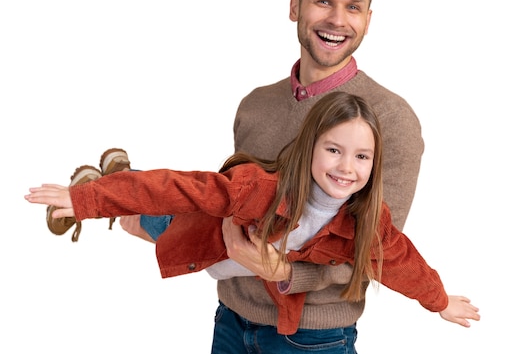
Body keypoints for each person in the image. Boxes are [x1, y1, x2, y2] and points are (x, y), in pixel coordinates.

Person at [37, 0, 462, 353]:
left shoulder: (390, 119)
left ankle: (116, 191)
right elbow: (210, 200)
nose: (337, 19)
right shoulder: (256, 105)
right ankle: (114, 193)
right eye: (323, 1)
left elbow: (377, 253)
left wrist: (285, 274)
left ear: (368, 18)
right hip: (231, 321)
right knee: (181, 215)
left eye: (353, 6)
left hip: (311, 338)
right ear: (295, 7)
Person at [25, 92, 480, 339]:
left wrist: (439, 301)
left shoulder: (368, 221)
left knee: (159, 224)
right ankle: (107, 183)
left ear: (374, 163)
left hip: (246, 281)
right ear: (310, 149)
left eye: (361, 157)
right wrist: (90, 202)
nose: (346, 167)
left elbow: (404, 265)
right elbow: (182, 187)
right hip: (213, 245)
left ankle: (118, 178)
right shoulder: (261, 191)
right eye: (334, 150)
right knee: (164, 218)